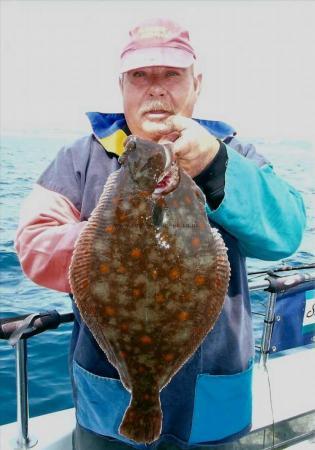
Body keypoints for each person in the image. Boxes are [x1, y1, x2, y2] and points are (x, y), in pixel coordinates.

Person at [15, 18, 306, 450]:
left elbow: (285, 233)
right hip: (109, 408)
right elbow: (34, 245)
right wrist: (112, 239)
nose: (155, 88)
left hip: (214, 405)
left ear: (196, 84)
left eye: (171, 75)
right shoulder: (80, 157)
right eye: (141, 76)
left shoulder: (234, 153)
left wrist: (214, 163)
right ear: (123, 87)